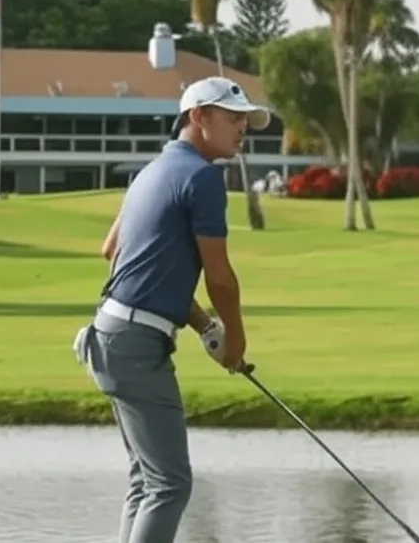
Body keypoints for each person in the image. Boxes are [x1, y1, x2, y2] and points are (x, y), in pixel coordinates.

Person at [72, 76, 272, 543]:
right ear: (198, 117)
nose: (241, 128)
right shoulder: (202, 177)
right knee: (170, 484)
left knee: (147, 481)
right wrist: (236, 341)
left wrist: (204, 326)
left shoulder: (155, 170)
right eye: (231, 118)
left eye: (245, 119)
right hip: (135, 345)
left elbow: (114, 253)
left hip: (113, 335)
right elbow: (219, 276)